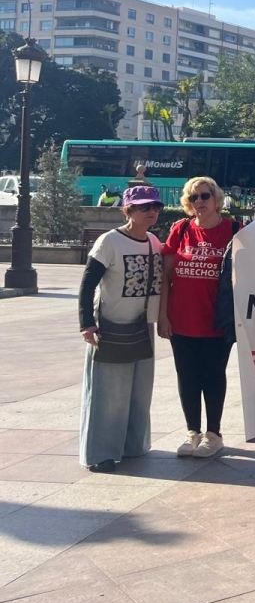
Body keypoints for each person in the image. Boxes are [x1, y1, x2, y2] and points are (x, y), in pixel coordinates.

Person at [77, 186, 164, 473]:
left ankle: (132, 446)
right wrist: (86, 323)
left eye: (155, 206)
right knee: (108, 394)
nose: (151, 211)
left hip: (142, 326)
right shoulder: (109, 241)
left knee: (139, 392)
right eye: (143, 207)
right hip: (111, 327)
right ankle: (101, 453)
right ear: (127, 210)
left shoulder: (154, 241)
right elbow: (88, 283)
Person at [158, 177, 238, 460]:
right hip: (182, 319)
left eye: (205, 196)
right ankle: (193, 431)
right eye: (193, 198)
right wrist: (162, 316)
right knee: (187, 376)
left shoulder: (234, 230)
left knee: (213, 375)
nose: (199, 202)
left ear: (217, 200)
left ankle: (213, 434)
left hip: (217, 319)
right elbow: (166, 277)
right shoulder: (180, 230)